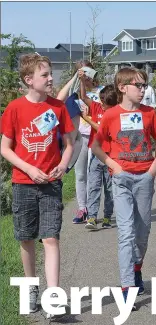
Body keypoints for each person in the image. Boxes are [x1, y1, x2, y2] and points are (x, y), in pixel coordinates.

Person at [0, 54, 74, 320]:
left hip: (52, 184)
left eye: (51, 73)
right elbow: (5, 148)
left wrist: (64, 164)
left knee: (51, 237)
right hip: (24, 183)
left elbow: (69, 143)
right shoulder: (15, 109)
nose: (51, 78)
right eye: (45, 75)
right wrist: (29, 168)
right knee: (26, 238)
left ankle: (53, 297)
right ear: (29, 80)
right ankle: (31, 287)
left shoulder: (57, 108)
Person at [91, 67, 156, 305]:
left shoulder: (150, 113)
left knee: (142, 233)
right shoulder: (111, 115)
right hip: (121, 179)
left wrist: (153, 168)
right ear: (123, 88)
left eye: (144, 86)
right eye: (138, 86)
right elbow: (97, 146)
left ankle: (136, 267)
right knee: (125, 233)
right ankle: (126, 287)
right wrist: (113, 165)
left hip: (144, 177)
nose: (143, 90)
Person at [57, 60, 104, 224]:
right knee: (81, 174)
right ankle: (82, 208)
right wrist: (76, 81)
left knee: (95, 175)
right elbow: (60, 101)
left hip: (97, 138)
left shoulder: (101, 91)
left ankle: (93, 209)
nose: (87, 76)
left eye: (89, 72)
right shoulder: (73, 93)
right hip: (80, 137)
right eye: (82, 73)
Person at [78, 69, 118, 230]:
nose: (102, 104)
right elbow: (84, 97)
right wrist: (82, 81)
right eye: (101, 101)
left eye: (105, 103)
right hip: (96, 155)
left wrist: (86, 118)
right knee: (93, 186)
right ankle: (92, 217)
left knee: (110, 189)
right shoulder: (97, 107)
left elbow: (102, 129)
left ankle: (108, 217)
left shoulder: (115, 113)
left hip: (110, 157)